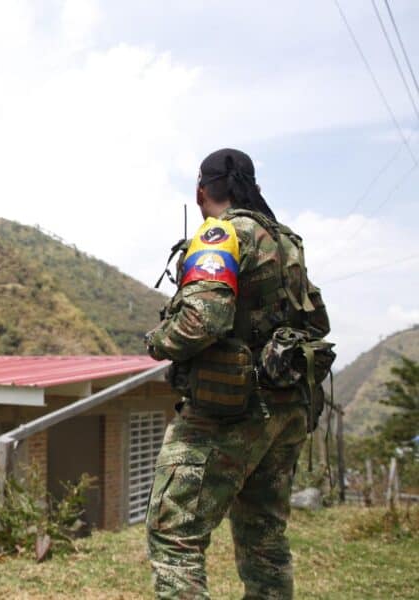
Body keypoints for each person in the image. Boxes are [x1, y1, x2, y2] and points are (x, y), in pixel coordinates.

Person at [144, 148, 331, 599]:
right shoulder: (283, 239)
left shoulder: (220, 233)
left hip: (229, 412)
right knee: (264, 539)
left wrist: (157, 340)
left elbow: (201, 321)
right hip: (286, 407)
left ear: (201, 190)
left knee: (175, 534)